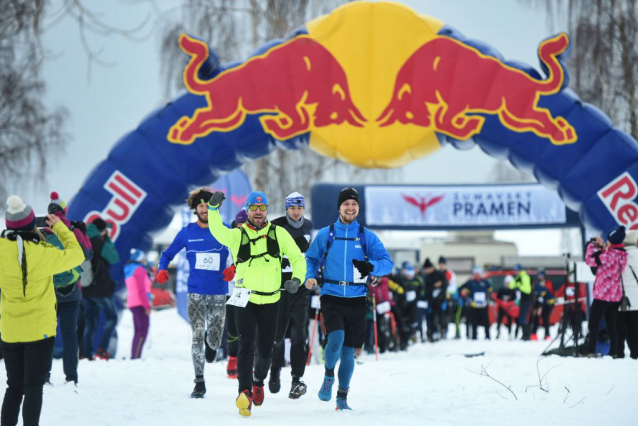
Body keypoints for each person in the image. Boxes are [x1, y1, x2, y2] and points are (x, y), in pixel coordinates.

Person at [207, 190, 306, 417]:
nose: (258, 212)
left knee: (265, 349)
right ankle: (244, 393)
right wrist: (213, 210)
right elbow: (217, 231)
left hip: (271, 300)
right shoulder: (237, 234)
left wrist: (297, 279)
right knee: (246, 344)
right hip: (245, 299)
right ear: (248, 210)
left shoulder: (278, 234)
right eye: (254, 208)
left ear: (267, 211)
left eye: (262, 209)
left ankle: (258, 381)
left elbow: (298, 258)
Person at [304, 187, 393, 411]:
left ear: (358, 208)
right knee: (335, 340)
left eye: (354, 204)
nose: (350, 208)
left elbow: (387, 263)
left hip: (357, 297)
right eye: (346, 204)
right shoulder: (327, 234)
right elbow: (311, 258)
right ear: (339, 207)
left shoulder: (366, 236)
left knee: (348, 352)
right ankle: (328, 376)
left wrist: (372, 267)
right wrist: (309, 276)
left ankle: (342, 397)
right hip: (331, 296)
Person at [0, 196, 84, 426]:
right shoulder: (43, 253)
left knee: (13, 387)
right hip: (40, 332)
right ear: (31, 225)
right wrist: (59, 227)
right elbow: (77, 254)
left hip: (10, 331)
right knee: (34, 387)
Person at [157, 188, 234, 398]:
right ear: (195, 208)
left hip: (218, 291)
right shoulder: (187, 232)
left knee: (215, 339)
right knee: (197, 335)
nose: (204, 209)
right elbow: (167, 254)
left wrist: (234, 267)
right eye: (201, 206)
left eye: (208, 205)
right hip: (196, 293)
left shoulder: (225, 230)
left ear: (214, 207)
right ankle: (199, 382)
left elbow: (240, 252)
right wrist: (162, 269)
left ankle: (212, 343)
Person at [41, 192, 92, 387]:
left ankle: (44, 375)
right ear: (64, 210)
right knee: (70, 334)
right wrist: (82, 232)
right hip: (72, 291)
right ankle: (71, 376)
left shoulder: (43, 231)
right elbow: (86, 255)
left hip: (48, 292)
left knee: (47, 333)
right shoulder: (72, 229)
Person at [268, 192, 314, 399]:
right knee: (278, 336)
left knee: (299, 336)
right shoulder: (275, 226)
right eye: (292, 208)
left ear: (303, 209)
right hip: (280, 289)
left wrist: (312, 277)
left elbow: (309, 257)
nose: (296, 212)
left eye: (299, 208)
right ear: (286, 209)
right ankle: (275, 369)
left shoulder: (309, 227)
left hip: (301, 290)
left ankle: (297, 379)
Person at [584, 226, 628, 357]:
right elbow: (608, 256)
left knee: (593, 324)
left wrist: (592, 245)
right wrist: (603, 247)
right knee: (612, 325)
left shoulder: (606, 256)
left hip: (602, 295)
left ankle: (591, 350)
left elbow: (589, 260)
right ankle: (614, 352)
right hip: (616, 296)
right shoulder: (623, 256)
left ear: (612, 241)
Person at [81, 217, 120, 360]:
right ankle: (102, 349)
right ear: (102, 230)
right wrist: (107, 240)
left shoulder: (83, 240)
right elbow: (114, 258)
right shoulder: (99, 241)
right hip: (101, 290)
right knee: (112, 317)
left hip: (85, 289)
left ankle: (86, 353)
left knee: (90, 322)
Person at [225, 209, 247, 379]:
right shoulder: (229, 240)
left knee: (249, 328)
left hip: (250, 291)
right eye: (239, 224)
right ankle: (232, 357)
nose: (242, 227)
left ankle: (249, 360)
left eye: (244, 224)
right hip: (232, 291)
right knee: (232, 328)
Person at [125, 248, 151, 359]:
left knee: (138, 331)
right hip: (140, 303)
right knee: (142, 330)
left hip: (133, 302)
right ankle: (136, 357)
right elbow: (141, 289)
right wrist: (146, 305)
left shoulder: (129, 269)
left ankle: (135, 356)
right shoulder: (139, 270)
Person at [618, 230, 638, 359]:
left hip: (622, 297)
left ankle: (619, 353)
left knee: (621, 328)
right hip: (636, 297)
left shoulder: (619, 256)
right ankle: (635, 353)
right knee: (635, 327)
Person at [459, 267, 492, 340]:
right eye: (476, 273)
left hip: (483, 305)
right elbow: (467, 294)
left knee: (486, 321)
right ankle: (474, 336)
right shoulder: (470, 282)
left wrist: (488, 300)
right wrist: (469, 301)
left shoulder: (485, 282)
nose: (477, 275)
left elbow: (490, 292)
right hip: (474, 306)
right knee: (474, 321)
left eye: (478, 273)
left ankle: (487, 336)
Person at [422, 258, 448, 342]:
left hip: (441, 300)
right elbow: (426, 288)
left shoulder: (440, 274)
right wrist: (434, 285)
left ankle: (442, 332)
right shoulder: (427, 277)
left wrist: (441, 295)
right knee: (431, 319)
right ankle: (431, 334)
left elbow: (445, 285)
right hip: (431, 301)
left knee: (441, 317)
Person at [508, 264, 533, 340]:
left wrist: (519, 285)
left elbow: (527, 290)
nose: (515, 272)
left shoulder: (525, 277)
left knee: (523, 317)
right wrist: (516, 282)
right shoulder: (518, 277)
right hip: (521, 301)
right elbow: (511, 286)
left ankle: (526, 335)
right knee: (521, 317)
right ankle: (524, 334)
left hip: (527, 300)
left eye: (516, 270)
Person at [530, 274, 556, 341]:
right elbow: (537, 297)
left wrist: (552, 302)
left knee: (546, 321)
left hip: (545, 307)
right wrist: (538, 307)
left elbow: (550, 296)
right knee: (536, 321)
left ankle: (547, 335)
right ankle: (534, 335)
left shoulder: (546, 287)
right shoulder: (535, 286)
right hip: (538, 306)